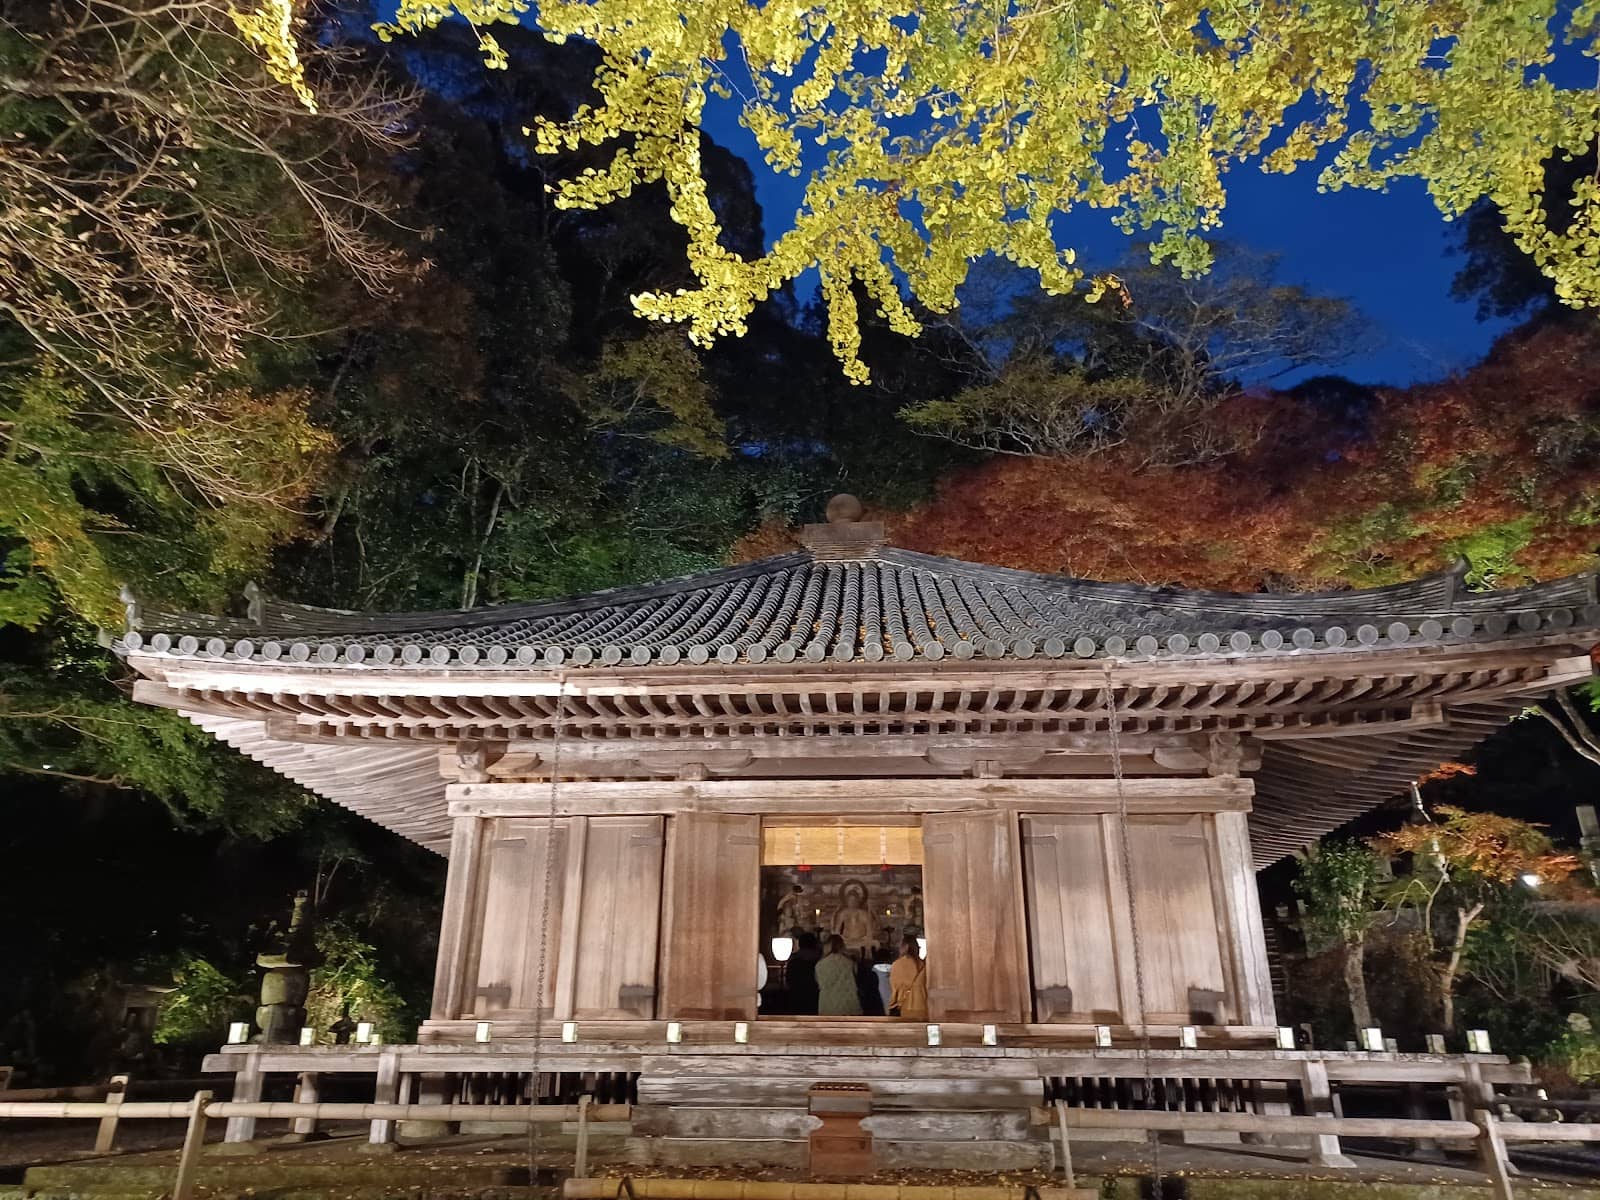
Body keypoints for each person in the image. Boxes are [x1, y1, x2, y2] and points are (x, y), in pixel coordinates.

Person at [816, 935, 863, 1016]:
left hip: (828, 1005)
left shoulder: (820, 964)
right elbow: (857, 979)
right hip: (849, 1004)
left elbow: (819, 983)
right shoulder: (850, 962)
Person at [889, 936, 928, 1020]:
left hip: (906, 1006)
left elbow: (895, 987)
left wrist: (892, 1003)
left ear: (905, 946)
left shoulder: (898, 964)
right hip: (923, 1004)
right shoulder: (923, 964)